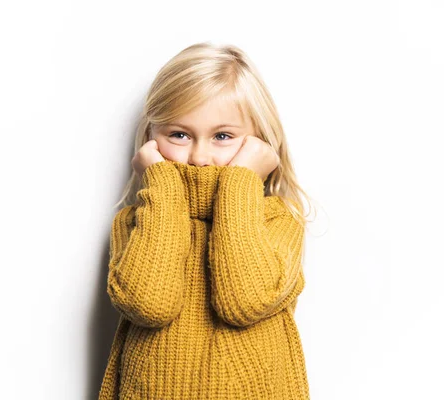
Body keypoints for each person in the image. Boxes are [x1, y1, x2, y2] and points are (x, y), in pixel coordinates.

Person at [99, 41, 314, 399]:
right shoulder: (135, 221)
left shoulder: (278, 219)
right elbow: (149, 304)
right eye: (179, 135)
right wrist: (164, 187)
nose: (199, 157)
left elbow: (245, 301)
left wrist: (241, 183)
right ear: (151, 138)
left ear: (259, 142)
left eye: (223, 136)